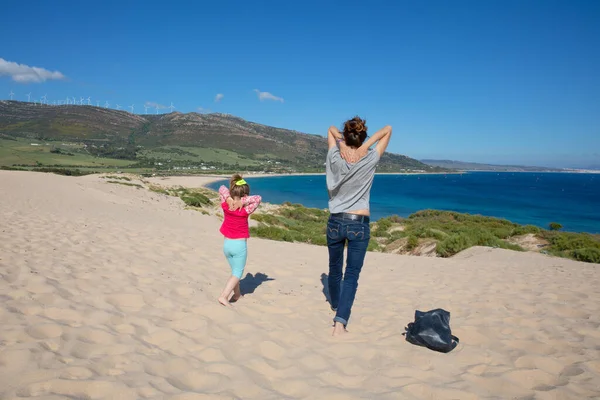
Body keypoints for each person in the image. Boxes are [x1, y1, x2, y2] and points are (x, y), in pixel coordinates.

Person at [325, 116, 392, 336]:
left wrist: (341, 142)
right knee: (351, 275)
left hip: (335, 220)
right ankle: (340, 322)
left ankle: (335, 304)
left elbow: (330, 129)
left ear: (345, 136)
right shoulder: (370, 157)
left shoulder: (335, 155)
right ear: (362, 137)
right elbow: (388, 129)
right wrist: (365, 146)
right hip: (358, 223)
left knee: (335, 270)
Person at [217, 174, 262, 307]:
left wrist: (229, 198)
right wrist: (243, 202)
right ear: (245, 196)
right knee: (237, 273)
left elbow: (222, 188)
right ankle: (224, 296)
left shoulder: (225, 204)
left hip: (226, 245)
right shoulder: (245, 209)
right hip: (239, 245)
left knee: (234, 272)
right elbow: (258, 198)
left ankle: (237, 294)